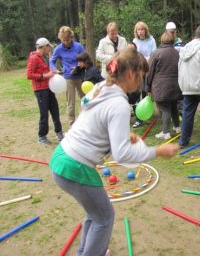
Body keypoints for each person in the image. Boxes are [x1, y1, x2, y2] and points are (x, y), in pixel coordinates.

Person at [49, 48, 179, 256]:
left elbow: (90, 114)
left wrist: (120, 135)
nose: (141, 82)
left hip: (61, 157)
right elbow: (122, 155)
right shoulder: (119, 103)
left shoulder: (101, 87)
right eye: (141, 77)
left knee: (96, 212)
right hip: (75, 167)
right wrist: (158, 151)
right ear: (130, 74)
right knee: (104, 216)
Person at [26, 38, 63, 145]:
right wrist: (44, 75)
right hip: (40, 90)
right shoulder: (34, 58)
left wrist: (53, 72)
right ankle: (42, 136)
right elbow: (29, 75)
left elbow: (45, 71)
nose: (50, 49)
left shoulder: (44, 57)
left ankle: (59, 132)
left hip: (49, 88)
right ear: (44, 47)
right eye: (48, 47)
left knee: (55, 110)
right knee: (44, 114)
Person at [147, 31, 182, 140]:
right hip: (176, 85)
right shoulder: (177, 53)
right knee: (173, 106)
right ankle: (177, 127)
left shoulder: (156, 53)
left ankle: (165, 132)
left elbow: (149, 72)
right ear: (172, 41)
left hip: (160, 86)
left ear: (161, 40)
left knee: (165, 108)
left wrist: (147, 86)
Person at [50, 26, 85, 127]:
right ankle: (72, 124)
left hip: (80, 76)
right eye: (63, 40)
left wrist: (80, 64)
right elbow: (52, 61)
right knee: (71, 103)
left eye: (67, 40)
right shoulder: (58, 49)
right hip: (68, 78)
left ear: (71, 37)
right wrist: (54, 69)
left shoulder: (78, 46)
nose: (65, 42)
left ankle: (84, 121)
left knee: (85, 99)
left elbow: (85, 58)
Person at [132, 21, 157, 128]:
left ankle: (146, 112)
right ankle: (139, 118)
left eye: (142, 29)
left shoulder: (151, 40)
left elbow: (154, 54)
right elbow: (134, 54)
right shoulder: (135, 41)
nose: (141, 31)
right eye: (139, 30)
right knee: (137, 92)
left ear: (145, 30)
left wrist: (146, 60)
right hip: (138, 70)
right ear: (136, 31)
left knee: (146, 91)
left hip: (148, 69)